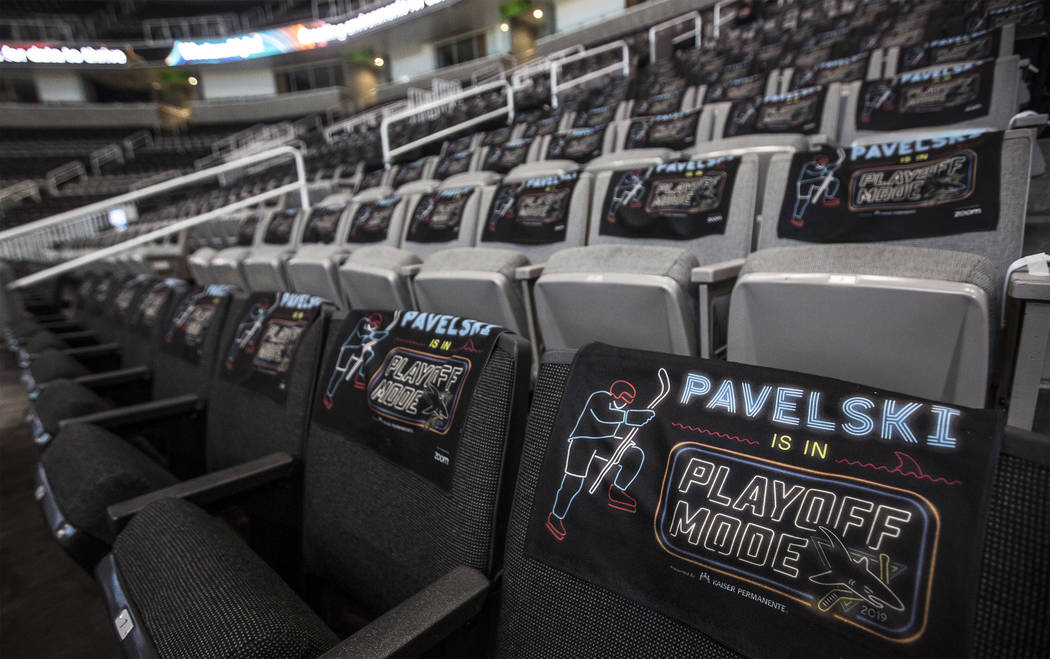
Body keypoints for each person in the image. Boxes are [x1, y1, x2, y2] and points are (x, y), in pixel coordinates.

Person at [546, 379, 656, 541]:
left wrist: (626, 437)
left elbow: (613, 428)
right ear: (615, 393)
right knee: (573, 483)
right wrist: (633, 416)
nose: (625, 402)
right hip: (583, 441)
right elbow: (603, 416)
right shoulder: (600, 397)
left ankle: (615, 490)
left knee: (635, 455)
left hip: (602, 443)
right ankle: (556, 516)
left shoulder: (623, 410)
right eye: (624, 397)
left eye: (628, 400)